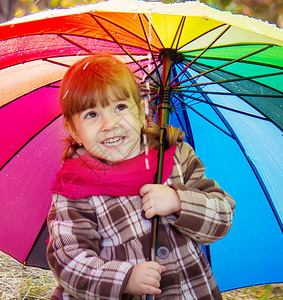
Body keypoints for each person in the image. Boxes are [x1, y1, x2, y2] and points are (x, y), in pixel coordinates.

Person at [47, 54, 235, 299]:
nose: (109, 124)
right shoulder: (76, 187)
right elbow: (68, 260)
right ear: (74, 130)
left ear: (140, 111)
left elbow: (222, 216)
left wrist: (180, 202)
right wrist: (125, 279)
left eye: (120, 107)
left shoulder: (174, 157)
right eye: (91, 114)